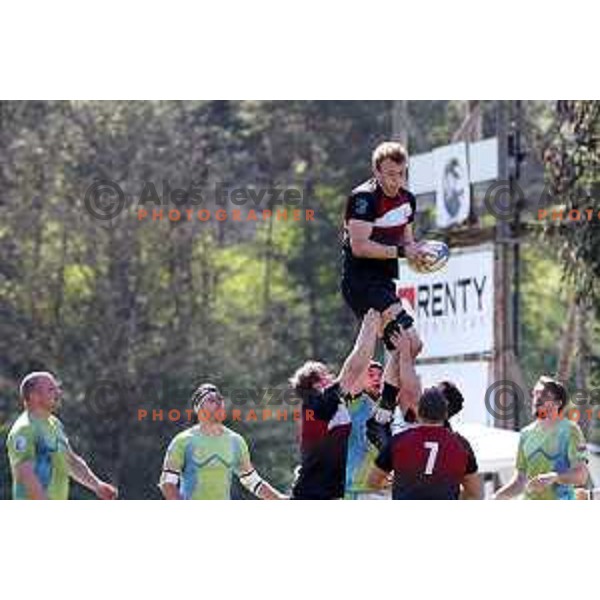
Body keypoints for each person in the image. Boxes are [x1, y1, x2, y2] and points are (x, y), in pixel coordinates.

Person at [341, 141, 426, 354]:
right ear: (376, 171)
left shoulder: (407, 200)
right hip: (362, 281)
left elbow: (406, 241)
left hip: (384, 281)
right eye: (390, 174)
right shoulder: (364, 199)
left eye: (401, 173)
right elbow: (359, 247)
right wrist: (401, 252)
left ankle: (352, 387)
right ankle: (342, 386)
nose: (396, 180)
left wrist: (419, 254)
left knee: (405, 347)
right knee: (409, 341)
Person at [289, 309, 381, 499]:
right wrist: (370, 319)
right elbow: (355, 367)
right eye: (326, 375)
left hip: (323, 495)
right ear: (317, 384)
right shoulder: (319, 403)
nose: (332, 377)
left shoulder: (319, 405)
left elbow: (357, 368)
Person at [159, 383, 286, 500]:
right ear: (198, 408)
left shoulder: (236, 441)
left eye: (220, 399)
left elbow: (252, 481)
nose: (219, 403)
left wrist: (280, 499)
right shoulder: (183, 441)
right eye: (211, 400)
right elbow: (167, 483)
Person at [6, 371, 118, 500]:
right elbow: (26, 475)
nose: (58, 394)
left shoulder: (54, 424)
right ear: (34, 396)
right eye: (51, 389)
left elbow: (71, 461)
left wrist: (97, 486)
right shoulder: (24, 429)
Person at [368, 387, 481, 500]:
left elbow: (373, 481)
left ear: (418, 413)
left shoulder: (398, 441)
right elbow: (474, 492)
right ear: (445, 414)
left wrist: (398, 486)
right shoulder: (461, 444)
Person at [494, 376, 588, 500]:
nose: (537, 398)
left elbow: (581, 475)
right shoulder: (525, 434)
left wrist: (555, 477)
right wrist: (496, 497)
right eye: (535, 394)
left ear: (558, 403)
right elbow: (520, 481)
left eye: (544, 395)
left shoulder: (570, 430)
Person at [344, 360, 390, 500]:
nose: (377, 378)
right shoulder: (354, 403)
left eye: (380, 375)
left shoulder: (387, 406)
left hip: (381, 488)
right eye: (370, 375)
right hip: (355, 489)